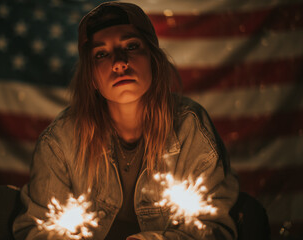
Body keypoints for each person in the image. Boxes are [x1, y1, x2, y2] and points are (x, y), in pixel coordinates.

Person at [13, 2, 239, 240]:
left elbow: (214, 228)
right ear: (91, 77)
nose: (119, 62)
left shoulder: (190, 128)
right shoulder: (60, 141)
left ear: (153, 58)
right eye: (101, 54)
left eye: (131, 46)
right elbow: (39, 230)